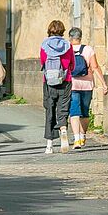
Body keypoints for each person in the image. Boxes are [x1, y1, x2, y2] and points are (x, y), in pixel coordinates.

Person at [68, 27, 108, 149]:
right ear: (80, 37)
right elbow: (95, 67)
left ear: (70, 38)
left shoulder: (67, 50)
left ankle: (76, 139)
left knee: (74, 112)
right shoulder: (88, 49)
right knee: (85, 112)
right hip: (87, 85)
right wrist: (103, 84)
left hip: (72, 85)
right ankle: (83, 135)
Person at [40, 20, 74, 154]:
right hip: (65, 80)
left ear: (50, 30)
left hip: (48, 82)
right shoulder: (68, 45)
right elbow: (72, 63)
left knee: (50, 110)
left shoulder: (44, 45)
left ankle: (49, 145)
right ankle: (63, 129)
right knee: (63, 108)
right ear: (62, 31)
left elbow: (42, 62)